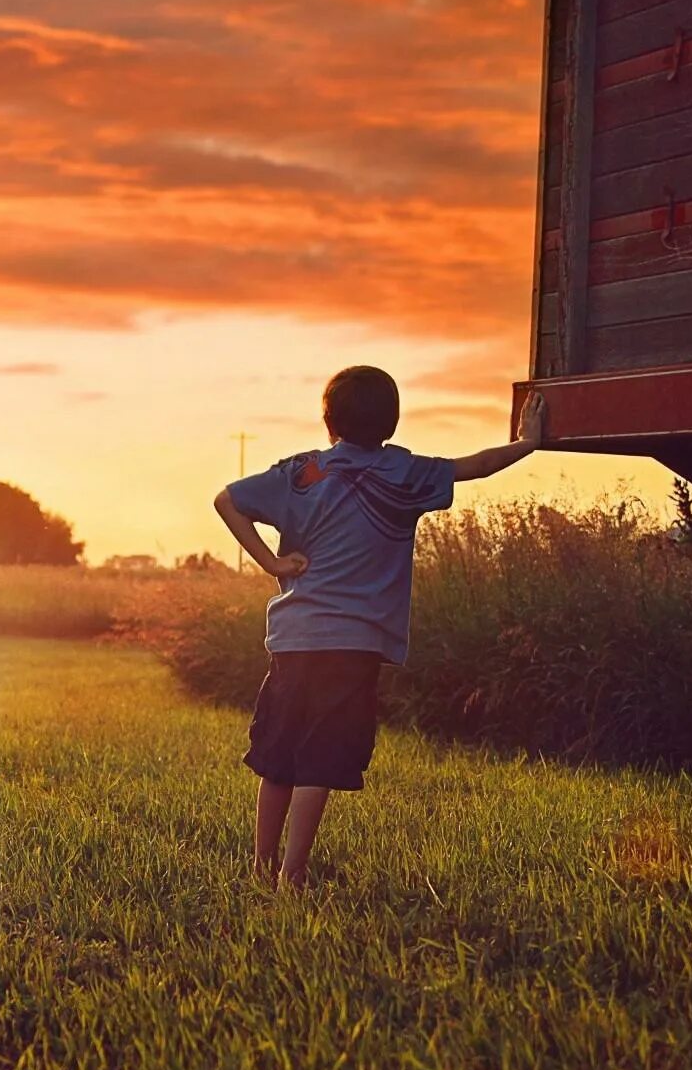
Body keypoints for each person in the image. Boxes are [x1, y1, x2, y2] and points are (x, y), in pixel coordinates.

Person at [213, 366, 547, 889]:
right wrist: (528, 442)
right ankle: (292, 873)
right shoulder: (404, 472)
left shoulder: (301, 472)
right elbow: (476, 466)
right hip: (354, 645)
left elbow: (227, 501)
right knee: (320, 759)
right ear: (391, 422)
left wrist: (272, 565)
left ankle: (261, 864)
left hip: (294, 639)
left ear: (329, 420)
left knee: (278, 755)